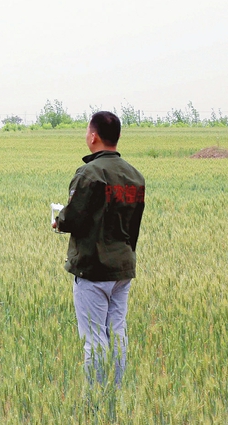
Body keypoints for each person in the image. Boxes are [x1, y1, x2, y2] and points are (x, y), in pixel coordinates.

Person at [53, 111, 145, 387]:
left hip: (93, 269)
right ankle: (115, 391)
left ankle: (95, 397)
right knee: (117, 333)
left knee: (93, 338)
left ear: (93, 136)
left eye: (86, 131)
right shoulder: (135, 176)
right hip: (123, 267)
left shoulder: (90, 173)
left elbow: (73, 219)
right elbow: (134, 224)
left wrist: (59, 222)